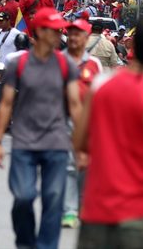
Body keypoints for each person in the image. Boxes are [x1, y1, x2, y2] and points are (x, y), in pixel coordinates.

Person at [74, 15, 143, 249]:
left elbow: (80, 140)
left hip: (96, 212)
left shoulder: (101, 85)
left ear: (132, 46)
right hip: (141, 213)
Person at [0, 8, 82, 249]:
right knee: (23, 197)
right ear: (39, 32)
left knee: (53, 199)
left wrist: (83, 146)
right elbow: (6, 104)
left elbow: (75, 105)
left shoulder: (66, 65)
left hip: (56, 142)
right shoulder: (18, 65)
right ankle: (25, 242)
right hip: (24, 142)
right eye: (54, 31)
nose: (58, 35)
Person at [61, 19, 102, 229]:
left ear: (87, 38)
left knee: (86, 165)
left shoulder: (95, 65)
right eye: (70, 34)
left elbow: (100, 94)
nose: (73, 38)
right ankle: (69, 211)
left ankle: (82, 206)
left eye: (78, 34)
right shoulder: (58, 61)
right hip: (63, 120)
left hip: (89, 122)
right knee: (69, 165)